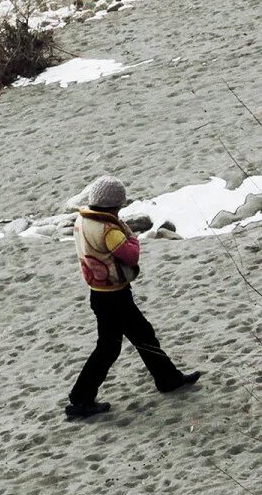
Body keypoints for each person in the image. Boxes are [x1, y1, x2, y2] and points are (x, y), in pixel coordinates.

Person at [66, 175, 201, 420]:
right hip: (115, 297)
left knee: (140, 335)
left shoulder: (82, 220)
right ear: (114, 204)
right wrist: (132, 237)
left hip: (99, 294)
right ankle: (80, 399)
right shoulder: (108, 229)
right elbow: (131, 256)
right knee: (112, 346)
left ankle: (167, 378)